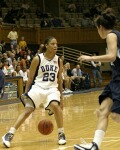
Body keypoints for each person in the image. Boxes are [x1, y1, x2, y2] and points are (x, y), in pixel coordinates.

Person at [2, 36, 66, 148]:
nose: (55, 46)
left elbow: (59, 80)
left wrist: (61, 97)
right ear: (46, 45)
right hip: (38, 87)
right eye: (52, 44)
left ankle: (61, 133)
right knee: (28, 110)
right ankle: (9, 134)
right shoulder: (38, 59)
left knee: (55, 106)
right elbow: (30, 78)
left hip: (52, 89)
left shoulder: (59, 60)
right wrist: (26, 93)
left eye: (56, 44)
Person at [74, 8, 120, 150]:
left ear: (100, 27)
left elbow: (112, 56)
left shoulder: (111, 35)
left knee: (116, 115)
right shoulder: (116, 34)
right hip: (116, 79)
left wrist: (90, 57)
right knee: (103, 111)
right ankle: (95, 145)